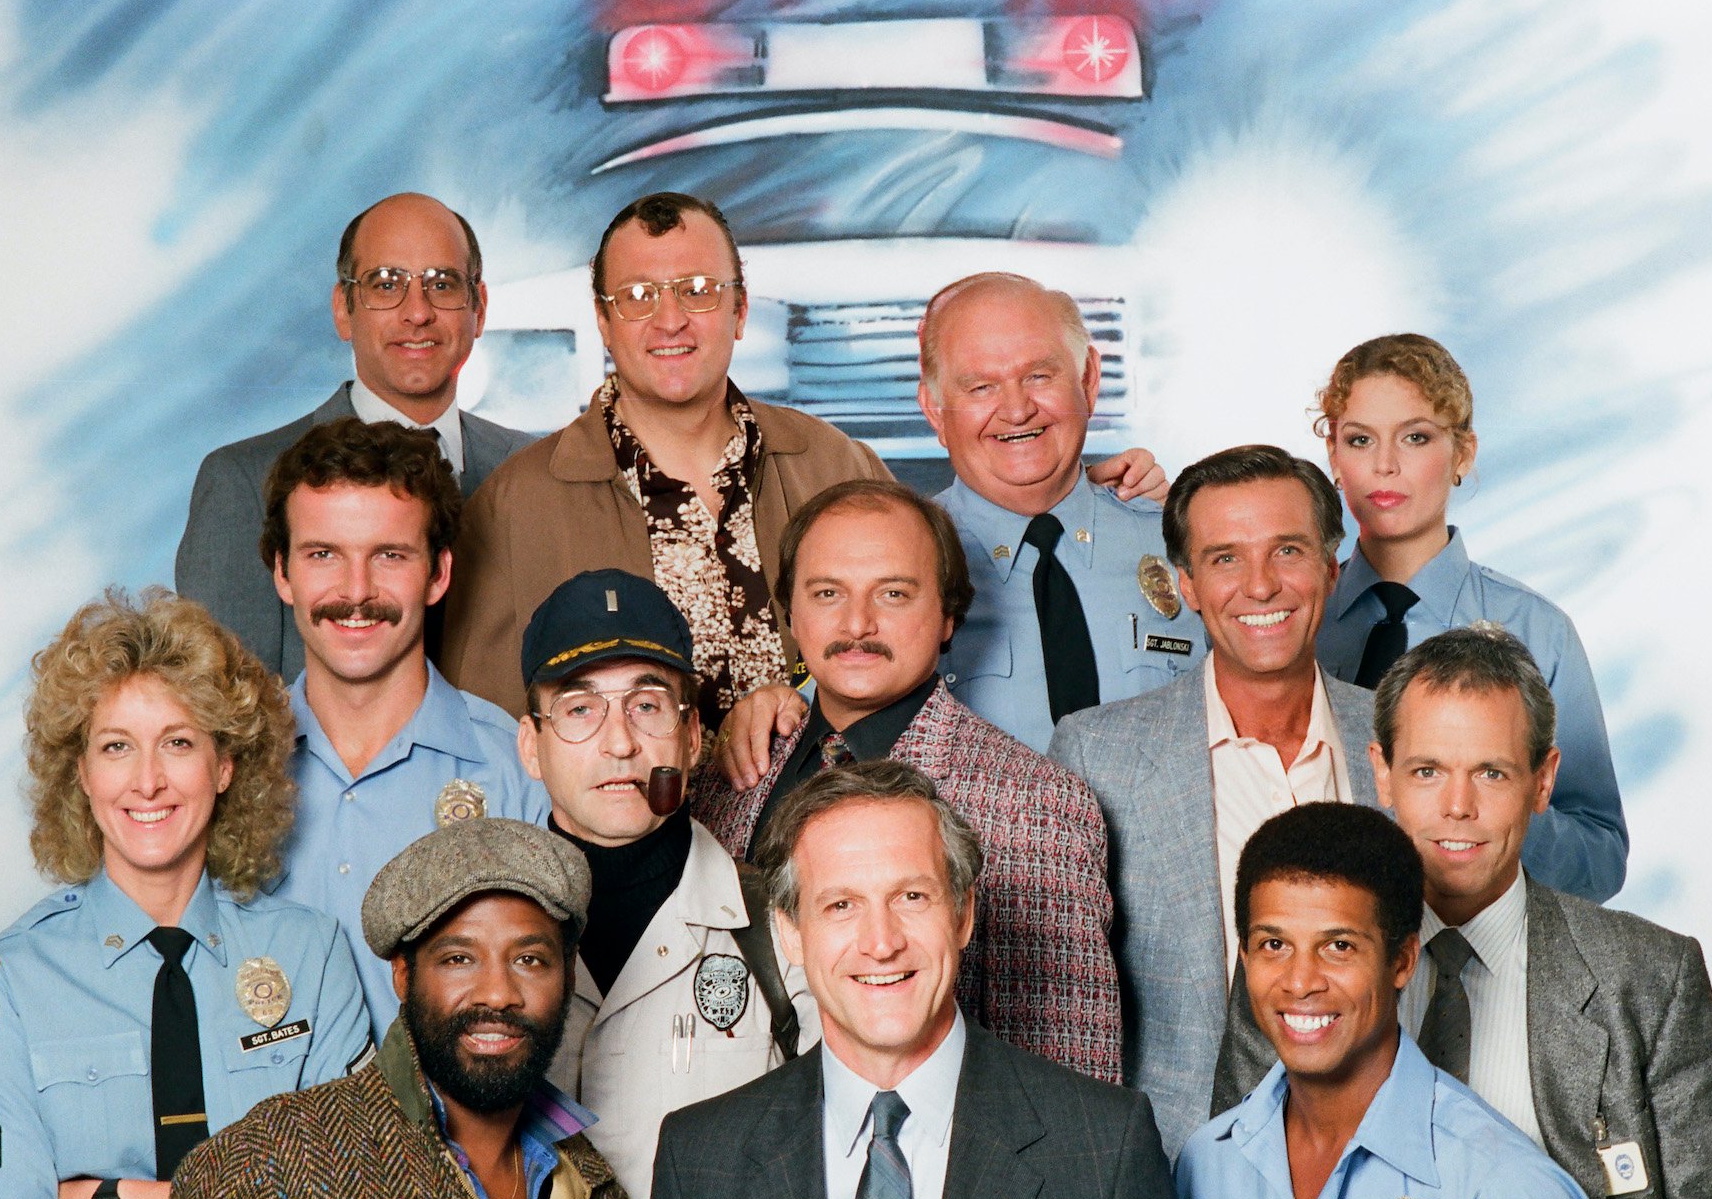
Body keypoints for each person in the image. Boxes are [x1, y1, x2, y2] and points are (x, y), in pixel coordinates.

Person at [1212, 628, 1712, 1199]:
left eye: (1492, 773)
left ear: (1543, 781)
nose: (1457, 808)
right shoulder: (1297, 972)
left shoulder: (1647, 978)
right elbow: (1244, 1192)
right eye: (1427, 771)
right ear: (1381, 772)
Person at [442, 193, 1166, 720]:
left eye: (697, 290)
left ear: (740, 307)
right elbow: (486, 741)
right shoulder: (514, 507)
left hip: (834, 882)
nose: (669, 319)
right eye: (637, 296)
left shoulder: (837, 464)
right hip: (625, 898)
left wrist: (1078, 497)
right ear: (603, 317)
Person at [0, 589, 372, 1199]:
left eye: (178, 742)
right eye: (116, 746)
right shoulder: (8, 980)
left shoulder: (312, 958)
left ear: (225, 765)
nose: (147, 781)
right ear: (80, 774)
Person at [643, 761, 1191, 1199]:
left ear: (963, 913)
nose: (881, 944)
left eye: (911, 897)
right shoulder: (701, 1158)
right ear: (789, 932)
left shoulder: (1103, 1146)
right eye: (841, 905)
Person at [690, 479, 1120, 1082]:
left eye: (893, 593)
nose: (857, 623)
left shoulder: (1034, 803)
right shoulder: (728, 781)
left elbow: (1072, 1083)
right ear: (791, 612)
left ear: (948, 615)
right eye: (827, 593)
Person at [137, 818, 640, 1199]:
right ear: (403, 974)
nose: (498, 993)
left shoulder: (595, 1190)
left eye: (530, 960)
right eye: (459, 958)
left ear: (569, 974)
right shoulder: (272, 1161)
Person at [1049, 444, 1376, 1155]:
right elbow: (1067, 1014)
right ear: (1187, 584)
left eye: (1287, 550)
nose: (1260, 586)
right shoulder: (1098, 756)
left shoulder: (1402, 738)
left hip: (1387, 1152)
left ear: (1331, 566)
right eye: (1226, 558)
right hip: (1180, 1169)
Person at [1178, 801, 1616, 1199]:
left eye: (1338, 946)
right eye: (1274, 944)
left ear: (1402, 961)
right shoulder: (1205, 1166)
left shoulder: (1507, 1189)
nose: (1299, 982)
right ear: (1245, 959)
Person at [515, 567, 816, 1199]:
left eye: (647, 706)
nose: (619, 742)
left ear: (690, 736)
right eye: (579, 709)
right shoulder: (477, 940)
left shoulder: (780, 925)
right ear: (530, 746)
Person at [1315, 333, 1627, 900]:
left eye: (1415, 437)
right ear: (1334, 456)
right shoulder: (1292, 624)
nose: (1385, 466)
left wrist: (1494, 809)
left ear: (1462, 452)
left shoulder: (1536, 632)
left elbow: (1601, 857)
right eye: (1360, 440)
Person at [177, 192, 535, 680]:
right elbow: (224, 717)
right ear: (343, 309)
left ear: (479, 308)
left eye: (443, 284)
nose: (417, 312)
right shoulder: (244, 483)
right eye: (386, 285)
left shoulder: (534, 472)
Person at [264, 417, 546, 1036]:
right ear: (282, 573)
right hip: (262, 1131)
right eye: (323, 555)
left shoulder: (517, 772)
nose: (356, 591)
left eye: (389, 556)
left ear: (439, 574)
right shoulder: (225, 770)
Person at [921, 272, 1207, 752]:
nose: (1016, 410)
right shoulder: (897, 563)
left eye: (1038, 376)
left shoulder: (1180, 539)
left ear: (1088, 379)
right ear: (934, 409)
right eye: (980, 387)